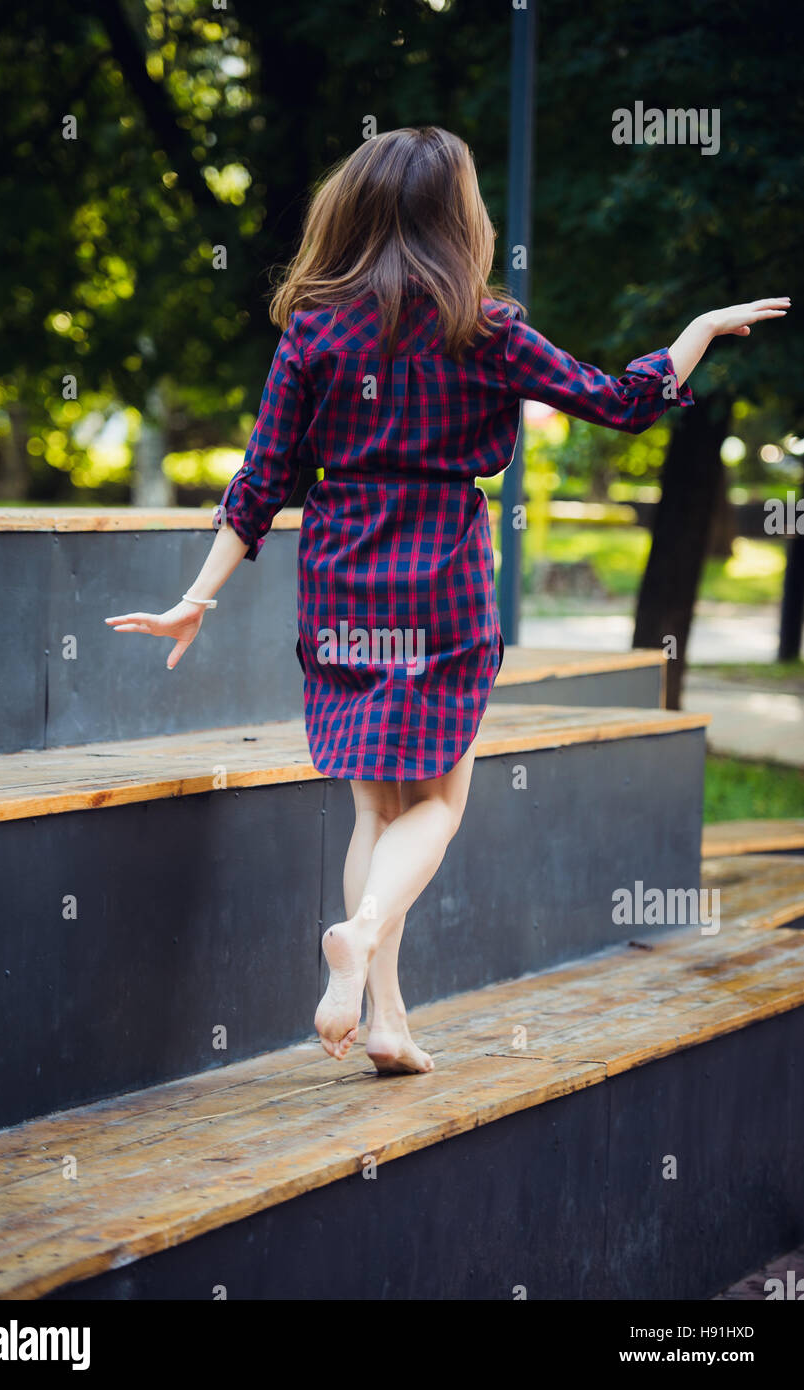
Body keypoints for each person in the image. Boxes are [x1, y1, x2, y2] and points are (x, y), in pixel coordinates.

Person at [106, 126, 788, 1074]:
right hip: (439, 581)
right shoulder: (483, 322)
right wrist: (696, 334)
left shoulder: (315, 325)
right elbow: (618, 401)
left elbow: (258, 483)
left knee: (373, 813)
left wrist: (196, 599)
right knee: (438, 804)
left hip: (341, 573)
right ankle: (365, 938)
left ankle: (383, 1018)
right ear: (455, 214)